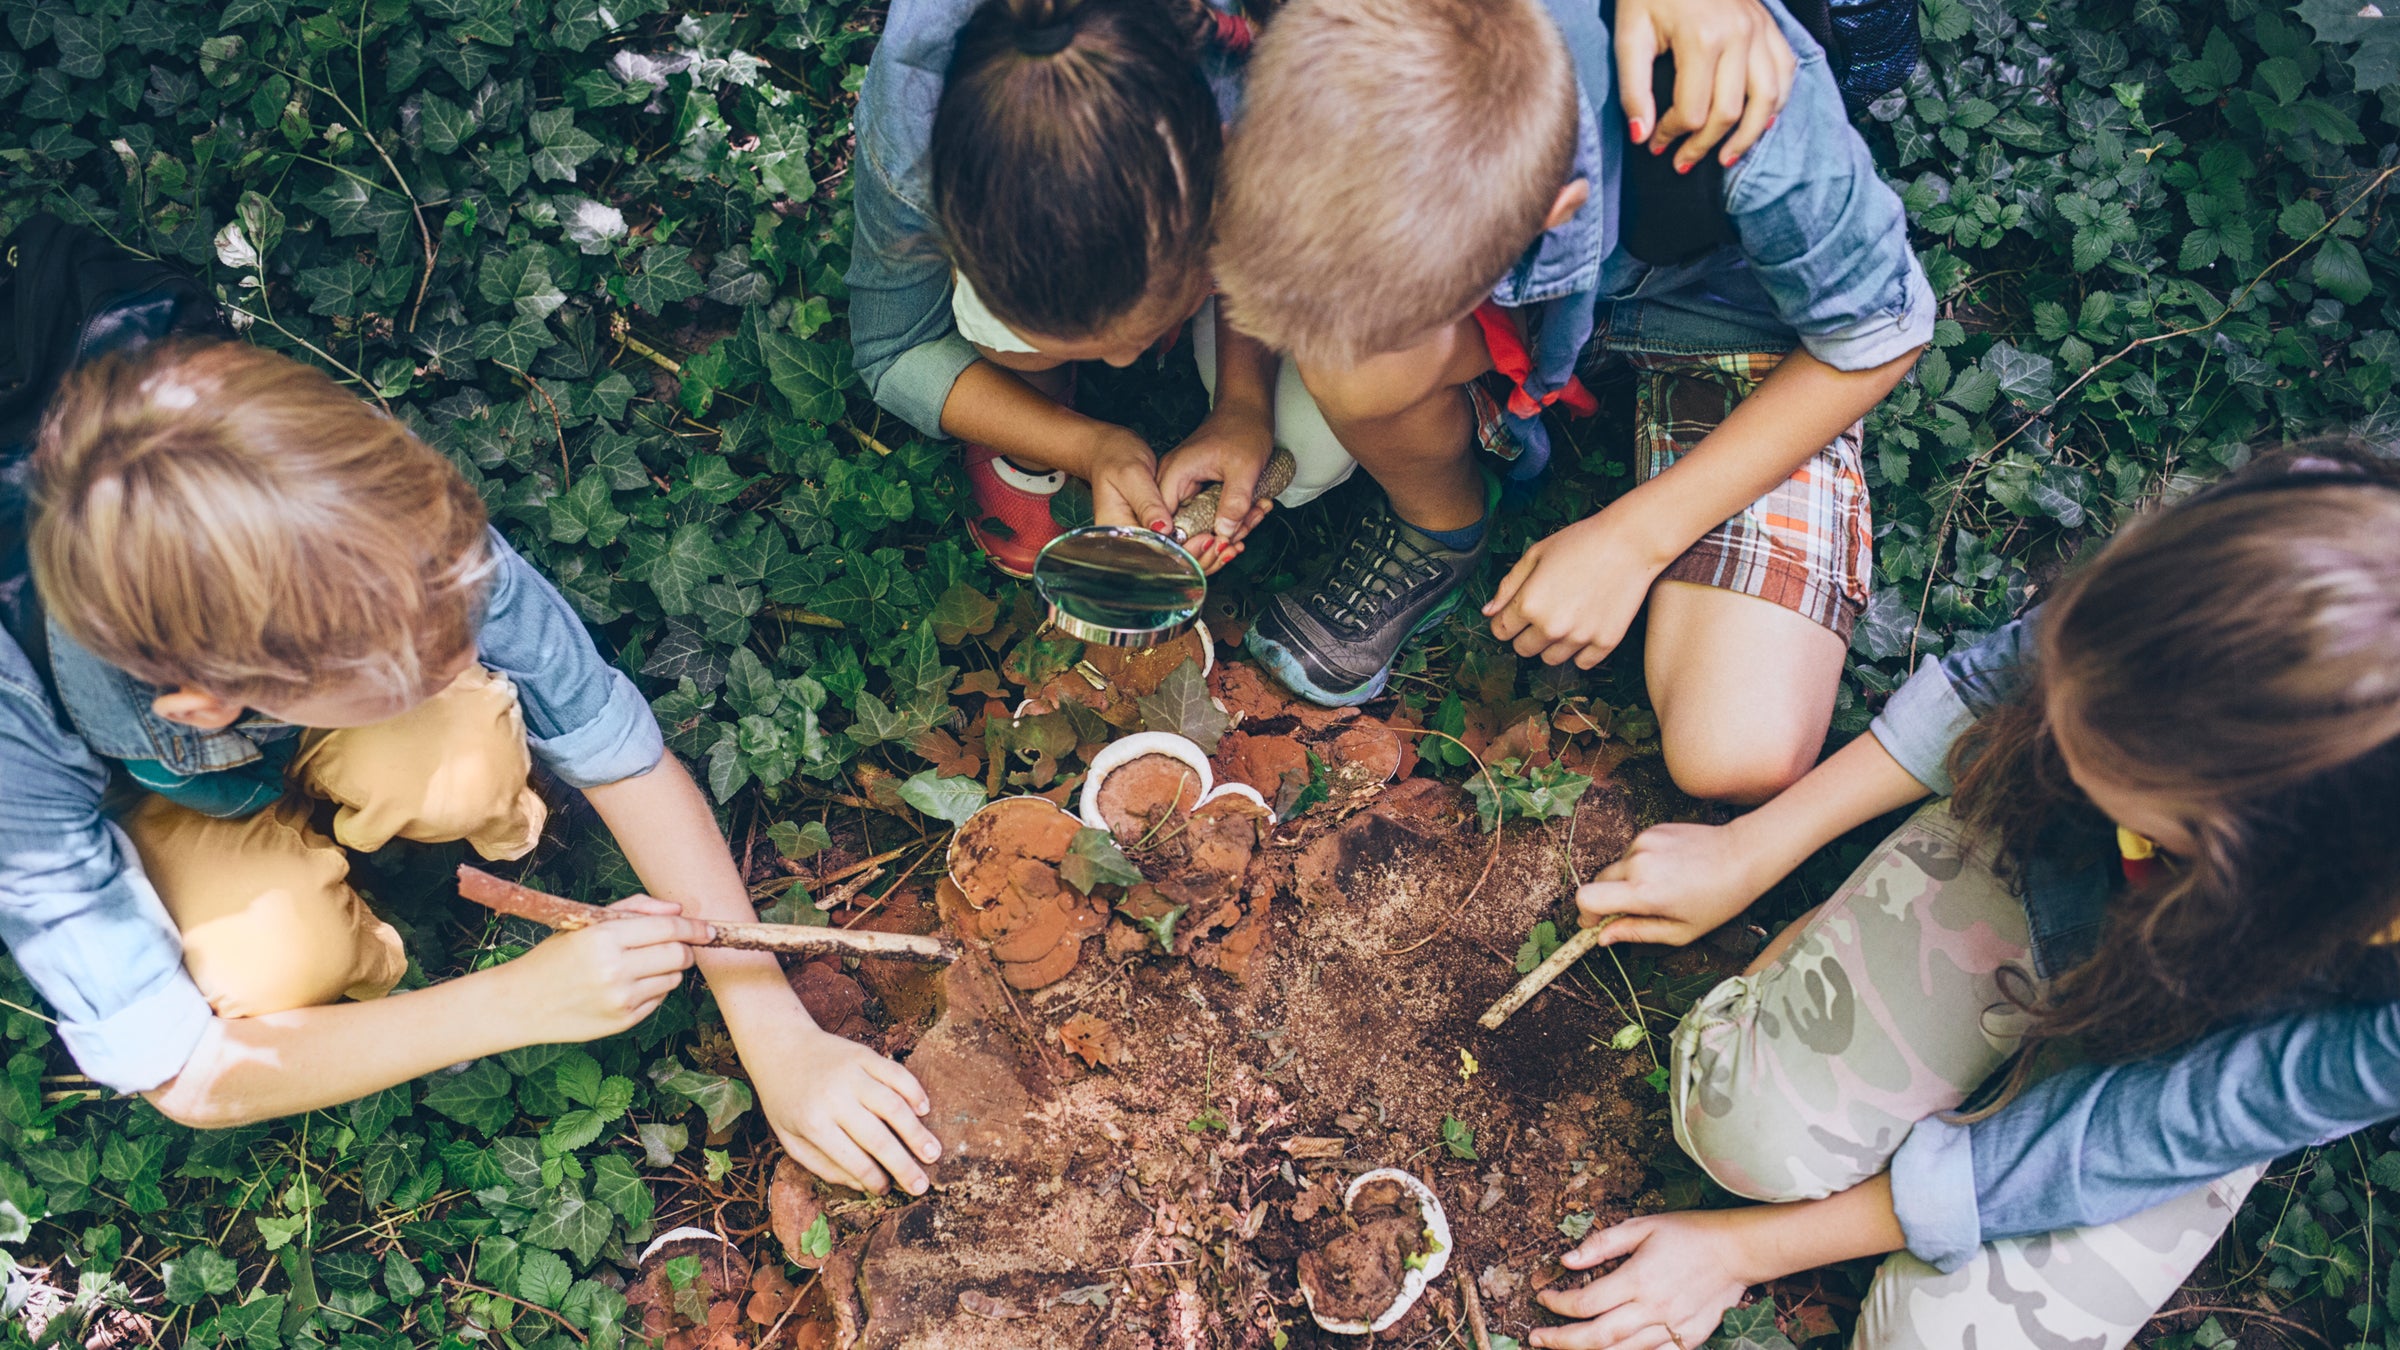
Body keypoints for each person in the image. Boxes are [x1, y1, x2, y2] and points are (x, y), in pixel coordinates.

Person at [0, 341, 941, 1197]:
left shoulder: (358, 513)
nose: (470, 657)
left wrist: (773, 1031)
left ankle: (434, 810)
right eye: (417, 667)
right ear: (207, 701)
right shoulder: (18, 747)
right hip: (141, 789)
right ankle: (342, 923)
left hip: (260, 695)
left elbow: (620, 755)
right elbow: (189, 1071)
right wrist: (519, 1001)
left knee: (464, 756)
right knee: (279, 963)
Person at [1527, 441, 2400, 1350]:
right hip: (2043, 853)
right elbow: (2005, 678)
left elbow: (2132, 1137)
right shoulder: (2293, 548)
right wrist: (1753, 849)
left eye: (2138, 809)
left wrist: (1744, 1253)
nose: (2066, 731)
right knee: (1744, 1128)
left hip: (2200, 1041)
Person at [1211, 0, 1929, 803]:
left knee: (1735, 745)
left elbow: (1878, 338)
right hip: (1522, 292)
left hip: (1732, 310)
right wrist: (1240, 398)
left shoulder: (1753, 119)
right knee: (1356, 357)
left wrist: (1636, 538)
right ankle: (1436, 523)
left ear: (1555, 215)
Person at [846, 0, 1804, 578]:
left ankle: (1454, 377)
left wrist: (1245, 400)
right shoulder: (918, 118)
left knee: (1317, 442)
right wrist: (1086, 440)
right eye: (1095, 345)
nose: (1129, 364)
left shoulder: (1310, 79)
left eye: (1153, 321)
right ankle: (1030, 369)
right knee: (983, 327)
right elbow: (891, 349)